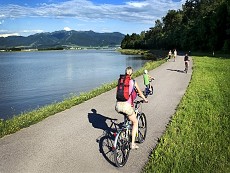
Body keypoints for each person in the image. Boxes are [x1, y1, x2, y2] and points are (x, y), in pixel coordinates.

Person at [115, 66, 148, 149]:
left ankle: (123, 133)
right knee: (135, 122)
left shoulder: (121, 81)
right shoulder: (133, 81)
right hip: (126, 106)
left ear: (125, 73)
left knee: (127, 117)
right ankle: (132, 144)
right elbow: (140, 93)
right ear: (131, 74)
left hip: (118, 106)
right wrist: (145, 99)